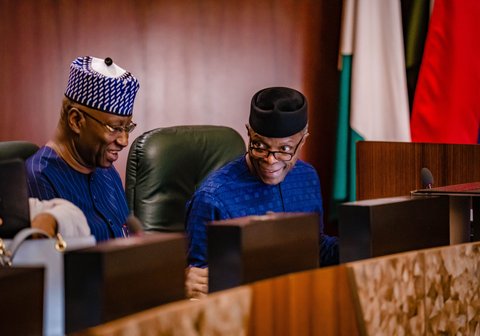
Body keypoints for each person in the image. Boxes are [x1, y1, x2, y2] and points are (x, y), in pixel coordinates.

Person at [185, 86, 339, 299]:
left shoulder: (307, 176)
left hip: (298, 300)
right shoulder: (212, 198)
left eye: (284, 149)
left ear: (303, 140)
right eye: (259, 146)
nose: (270, 160)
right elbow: (199, 286)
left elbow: (315, 247)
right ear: (249, 133)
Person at [25, 56, 140, 241]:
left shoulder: (106, 170)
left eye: (127, 128)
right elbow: (56, 263)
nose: (124, 141)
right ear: (76, 120)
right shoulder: (39, 177)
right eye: (115, 128)